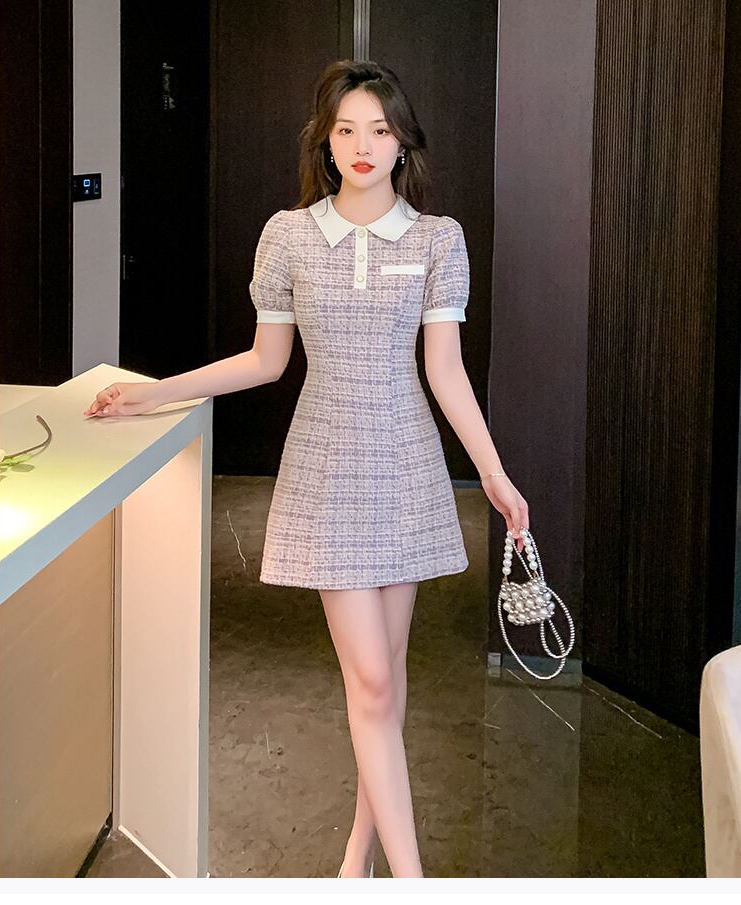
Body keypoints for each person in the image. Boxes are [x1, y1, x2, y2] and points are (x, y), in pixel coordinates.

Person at [83, 59, 529, 879]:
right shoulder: (288, 235)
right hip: (325, 467)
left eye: (380, 130)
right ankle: (413, 882)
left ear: (402, 143)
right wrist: (154, 392)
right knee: (371, 678)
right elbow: (265, 360)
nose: (363, 145)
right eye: (346, 129)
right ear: (325, 142)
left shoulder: (437, 239)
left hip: (406, 466)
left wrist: (494, 475)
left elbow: (445, 371)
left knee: (384, 682)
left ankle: (357, 855)